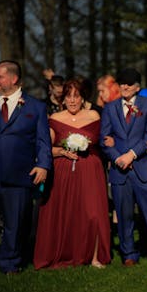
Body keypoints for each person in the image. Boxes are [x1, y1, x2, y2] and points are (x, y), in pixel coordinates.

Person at [0, 60, 52, 274]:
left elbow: (42, 141)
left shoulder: (35, 107)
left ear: (13, 79)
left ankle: (10, 263)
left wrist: (44, 166)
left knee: (15, 224)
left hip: (19, 174)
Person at [33, 79, 111, 269]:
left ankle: (94, 256)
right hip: (63, 170)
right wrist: (61, 151)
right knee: (66, 211)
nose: (73, 101)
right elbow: (44, 148)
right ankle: (66, 251)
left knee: (93, 212)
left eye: (76, 96)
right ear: (63, 98)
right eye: (69, 96)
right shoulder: (54, 118)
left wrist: (111, 142)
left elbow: (104, 139)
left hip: (90, 169)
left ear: (83, 97)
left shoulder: (94, 115)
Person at [100, 68, 147, 266]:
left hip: (144, 169)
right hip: (120, 171)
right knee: (124, 214)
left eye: (129, 83)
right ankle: (129, 254)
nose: (124, 87)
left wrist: (131, 155)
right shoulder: (110, 108)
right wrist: (118, 157)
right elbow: (104, 139)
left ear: (137, 86)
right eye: (122, 83)